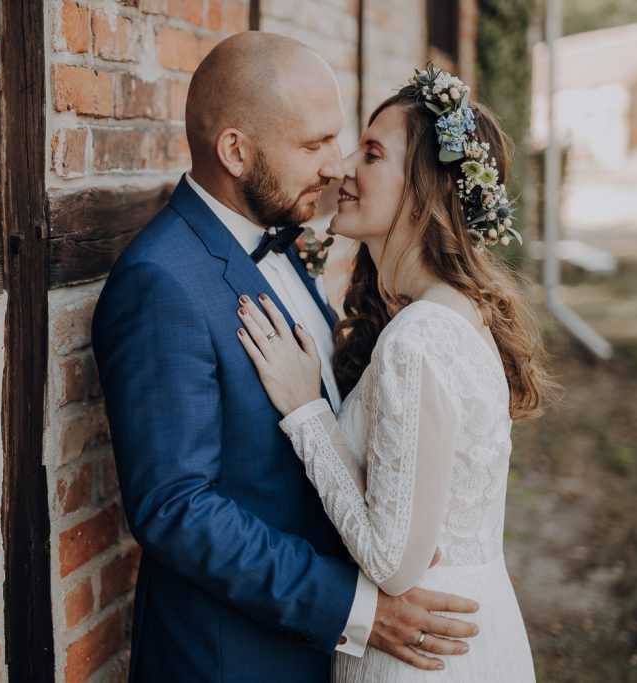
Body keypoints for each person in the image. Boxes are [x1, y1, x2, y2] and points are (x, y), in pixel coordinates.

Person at [91, 35, 479, 682]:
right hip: (234, 657)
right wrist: (360, 608)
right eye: (313, 145)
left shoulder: (284, 241)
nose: (337, 166)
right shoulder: (160, 281)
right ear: (236, 151)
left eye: (339, 140)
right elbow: (176, 508)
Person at [235, 65, 552, 681]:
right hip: (469, 627)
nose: (343, 167)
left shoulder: (419, 337)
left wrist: (306, 413)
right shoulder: (456, 314)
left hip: (422, 653)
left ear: (424, 190)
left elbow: (393, 561)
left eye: (372, 153)